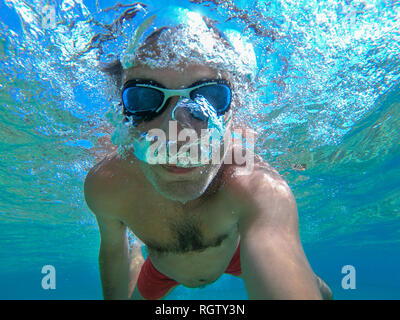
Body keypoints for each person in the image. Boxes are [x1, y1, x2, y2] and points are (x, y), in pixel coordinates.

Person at [84, 8, 332, 300]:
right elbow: (113, 253)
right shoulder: (107, 185)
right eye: (143, 98)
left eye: (208, 99)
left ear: (234, 108)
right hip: (160, 272)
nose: (177, 135)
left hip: (234, 257)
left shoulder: (255, 185)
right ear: (122, 112)